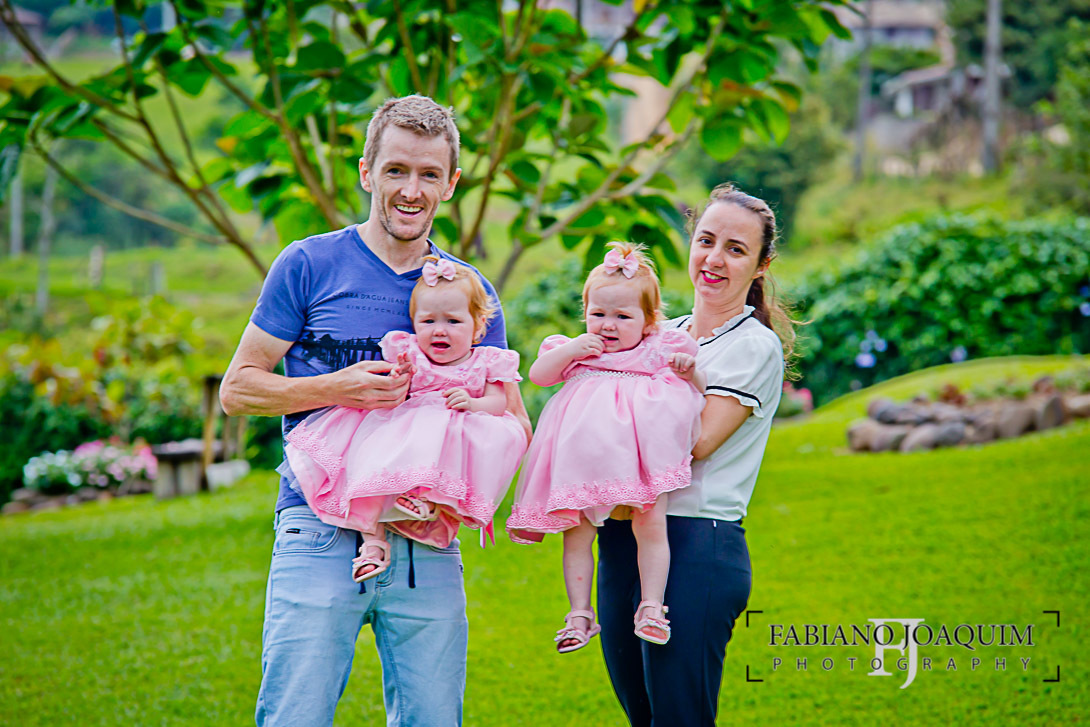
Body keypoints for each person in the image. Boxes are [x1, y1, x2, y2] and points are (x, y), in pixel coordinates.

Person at [219, 95, 529, 727]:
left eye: (428, 174)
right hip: (316, 527)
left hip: (427, 537)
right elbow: (239, 389)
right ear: (366, 172)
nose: (411, 190)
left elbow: (514, 420)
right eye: (396, 170)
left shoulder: (468, 291)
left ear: (451, 184)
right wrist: (340, 388)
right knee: (296, 716)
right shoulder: (308, 264)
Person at [595, 184, 793, 726]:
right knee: (643, 717)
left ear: (761, 265)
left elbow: (697, 442)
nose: (714, 258)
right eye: (706, 240)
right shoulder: (663, 334)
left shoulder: (753, 346)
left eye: (736, 249)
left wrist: (600, 428)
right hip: (622, 537)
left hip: (695, 544)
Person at [506, 242, 706, 654]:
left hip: (638, 462)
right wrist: (572, 348)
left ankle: (652, 606)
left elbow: (696, 394)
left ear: (649, 321)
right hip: (580, 465)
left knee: (651, 524)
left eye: (622, 317)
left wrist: (690, 372)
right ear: (585, 312)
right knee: (577, 534)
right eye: (598, 314)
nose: (607, 326)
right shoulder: (576, 352)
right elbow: (539, 375)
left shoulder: (658, 350)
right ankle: (579, 614)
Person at [279, 255, 527, 582]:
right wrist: (400, 376)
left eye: (453, 321)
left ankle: (429, 503)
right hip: (408, 424)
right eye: (428, 321)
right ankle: (372, 543)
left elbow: (499, 403)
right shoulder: (411, 354)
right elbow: (399, 388)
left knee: (466, 444)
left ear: (478, 327)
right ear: (414, 323)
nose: (439, 330)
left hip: (457, 431)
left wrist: (472, 403)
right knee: (368, 464)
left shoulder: (488, 360)